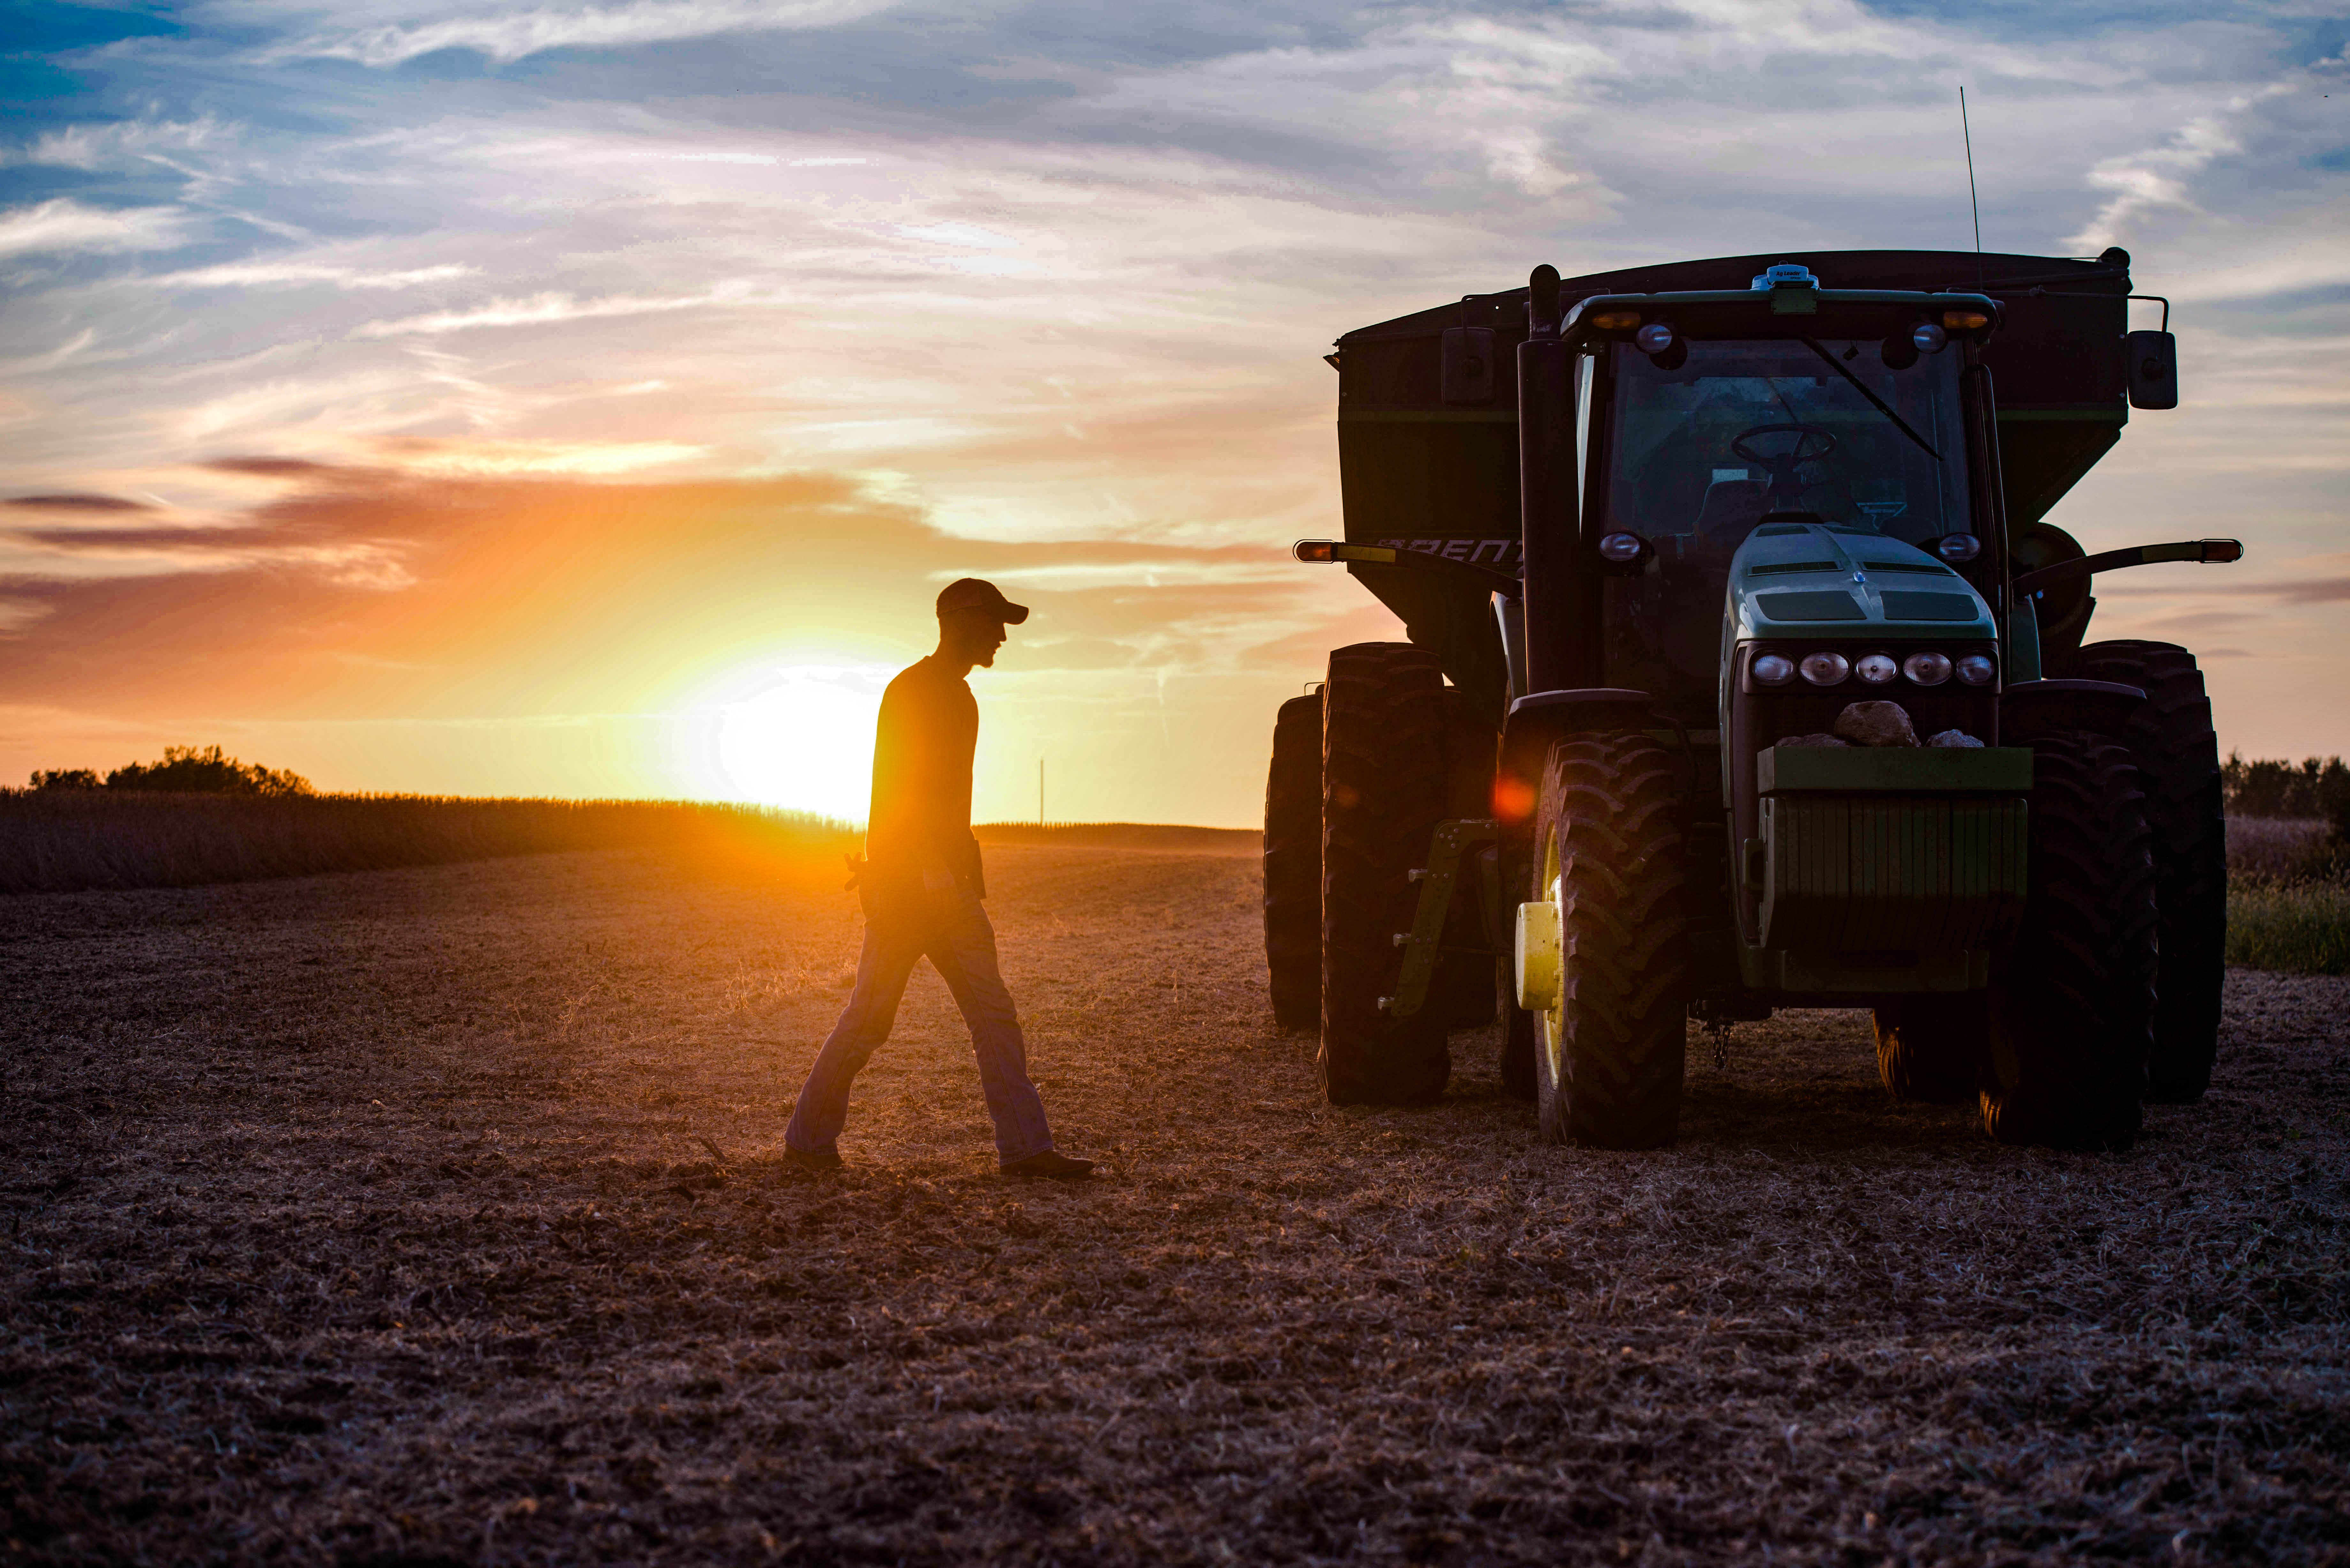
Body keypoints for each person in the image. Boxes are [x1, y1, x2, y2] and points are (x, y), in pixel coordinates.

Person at [782, 578, 1095, 1179]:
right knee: (872, 1020)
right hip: (914, 888)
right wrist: (931, 876)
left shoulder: (952, 694)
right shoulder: (919, 693)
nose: (1003, 637)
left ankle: (1027, 1150)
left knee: (988, 1016)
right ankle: (807, 1142)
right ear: (963, 624)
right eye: (995, 624)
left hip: (941, 885)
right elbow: (905, 791)